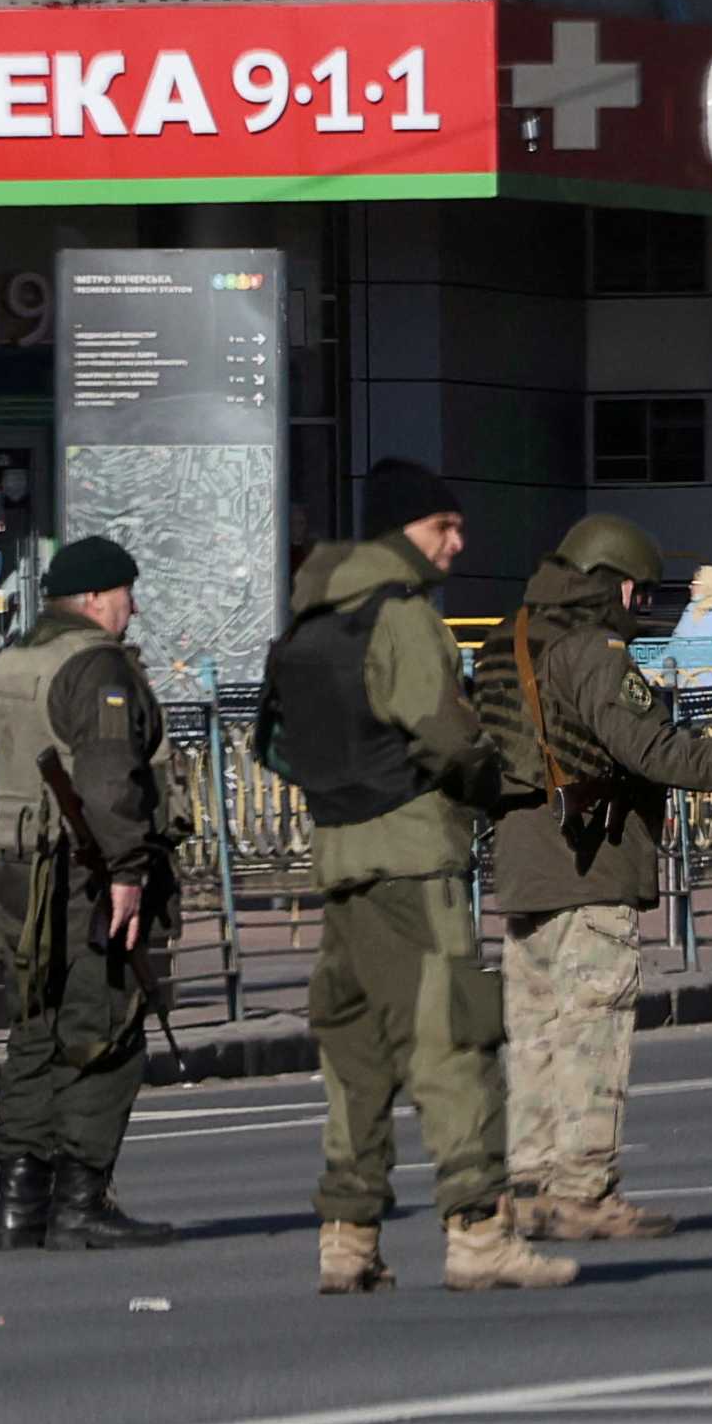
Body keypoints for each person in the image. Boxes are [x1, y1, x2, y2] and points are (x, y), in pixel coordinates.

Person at [260, 459, 575, 1296]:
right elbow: (445, 734)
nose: (459, 541)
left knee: (355, 1053)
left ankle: (348, 1235)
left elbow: (275, 744)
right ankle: (479, 1231)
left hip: (338, 859)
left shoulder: (308, 622)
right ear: (407, 530)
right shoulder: (402, 618)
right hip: (412, 856)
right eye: (446, 526)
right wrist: (488, 779)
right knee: (453, 1039)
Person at [475, 514, 712, 1241]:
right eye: (641, 596)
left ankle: (531, 1186)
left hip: (524, 867)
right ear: (621, 586)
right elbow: (658, 752)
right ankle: (586, 1193)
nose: (642, 609)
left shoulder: (506, 639)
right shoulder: (593, 651)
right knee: (592, 1033)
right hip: (588, 863)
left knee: (535, 1034)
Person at [0, 538, 180, 1253]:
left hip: (19, 876)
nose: (132, 607)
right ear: (95, 598)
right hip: (88, 878)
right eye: (126, 593)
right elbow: (111, 782)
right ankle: (81, 1199)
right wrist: (130, 873)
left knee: (34, 1033)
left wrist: (16, 811)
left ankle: (19, 1206)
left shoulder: (5, 664)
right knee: (102, 1028)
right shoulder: (97, 667)